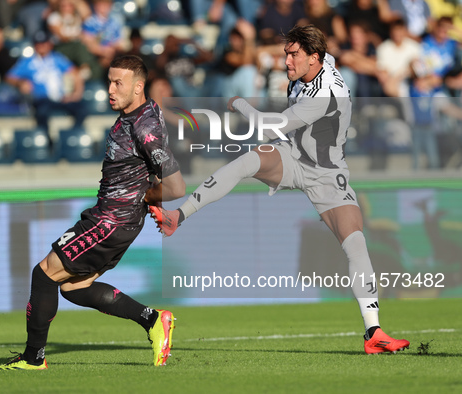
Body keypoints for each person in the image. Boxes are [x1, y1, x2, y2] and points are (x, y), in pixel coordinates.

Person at [150, 25, 411, 355]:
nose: (286, 60)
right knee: (247, 161)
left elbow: (267, 125)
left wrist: (241, 104)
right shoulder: (317, 61)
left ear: (313, 59)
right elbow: (327, 51)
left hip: (328, 174)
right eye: (286, 52)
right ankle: (178, 215)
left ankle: (373, 331)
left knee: (356, 243)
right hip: (294, 156)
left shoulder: (324, 94)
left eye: (292, 55)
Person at [0, 55, 186, 370]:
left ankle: (33, 358)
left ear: (138, 87)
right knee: (73, 286)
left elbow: (176, 185)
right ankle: (152, 320)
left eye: (117, 83)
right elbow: (148, 171)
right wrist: (150, 199)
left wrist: (149, 196)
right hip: (112, 217)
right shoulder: (137, 114)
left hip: (112, 220)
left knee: (43, 275)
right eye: (108, 81)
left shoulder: (144, 126)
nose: (109, 89)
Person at [5, 30, 85, 135]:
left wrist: (76, 93)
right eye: (39, 44)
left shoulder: (57, 59)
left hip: (61, 98)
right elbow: (9, 77)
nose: (42, 46)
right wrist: (20, 82)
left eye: (44, 43)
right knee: (42, 112)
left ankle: (72, 136)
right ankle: (47, 140)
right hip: (42, 99)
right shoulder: (28, 62)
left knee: (82, 109)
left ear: (49, 44)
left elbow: (76, 74)